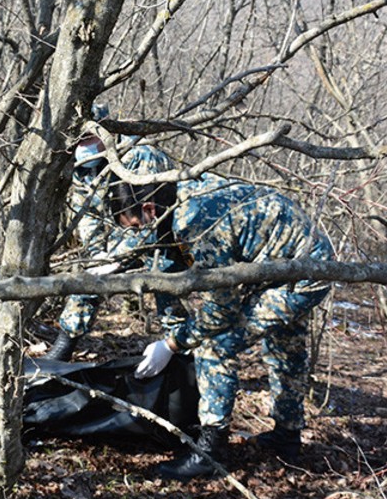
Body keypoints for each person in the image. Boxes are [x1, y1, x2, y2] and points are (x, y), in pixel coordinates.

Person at [108, 171, 334, 480]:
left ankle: (210, 453)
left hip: (303, 271)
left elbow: (221, 312)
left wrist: (173, 344)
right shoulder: (175, 195)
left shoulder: (195, 222)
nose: (137, 234)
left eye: (136, 226)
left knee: (216, 343)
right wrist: (123, 264)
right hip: (289, 261)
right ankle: (287, 437)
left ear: (149, 209)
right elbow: (169, 260)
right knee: (285, 347)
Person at [44, 105, 181, 360]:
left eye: (88, 137)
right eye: (79, 140)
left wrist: (114, 260)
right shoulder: (84, 167)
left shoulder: (140, 155)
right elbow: (87, 216)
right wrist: (98, 258)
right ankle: (63, 349)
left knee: (168, 288)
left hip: (166, 238)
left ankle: (179, 348)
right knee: (87, 279)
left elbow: (150, 219)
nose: (83, 144)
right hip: (121, 240)